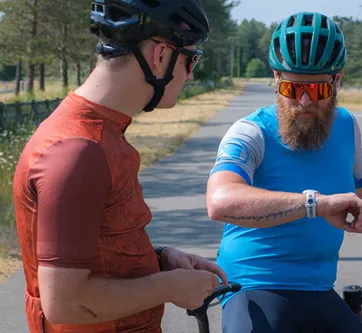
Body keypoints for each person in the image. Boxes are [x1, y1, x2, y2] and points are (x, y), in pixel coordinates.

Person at [206, 11, 362, 332]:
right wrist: (316, 204)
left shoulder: (345, 126)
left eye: (316, 90)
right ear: (276, 78)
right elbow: (220, 201)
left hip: (318, 289)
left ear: (337, 81)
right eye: (291, 88)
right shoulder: (250, 133)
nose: (302, 101)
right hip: (254, 285)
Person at [12, 1, 227, 332]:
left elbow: (94, 251)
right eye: (191, 59)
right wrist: (171, 287)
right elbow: (65, 302)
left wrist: (159, 261)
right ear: (160, 55)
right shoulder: (77, 151)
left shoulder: (97, 133)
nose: (191, 73)